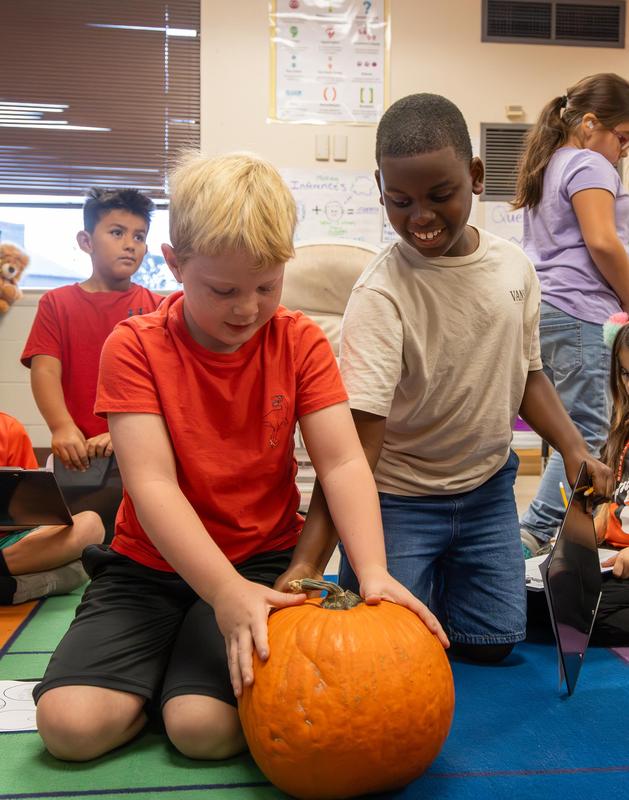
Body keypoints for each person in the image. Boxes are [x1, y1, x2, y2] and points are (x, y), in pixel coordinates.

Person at [34, 152, 447, 763]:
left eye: (266, 286)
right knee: (69, 729)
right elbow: (152, 486)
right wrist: (219, 594)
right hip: (146, 569)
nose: (248, 309)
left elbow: (342, 463)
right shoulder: (135, 345)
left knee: (204, 732)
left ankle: (174, 684)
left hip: (257, 564)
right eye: (222, 290)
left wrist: (375, 572)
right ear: (174, 264)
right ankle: (153, 678)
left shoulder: (299, 339)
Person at [276, 93, 613, 665]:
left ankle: (457, 583)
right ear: (381, 190)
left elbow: (527, 374)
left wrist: (577, 449)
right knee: (388, 653)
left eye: (440, 195)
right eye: (400, 201)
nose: (421, 218)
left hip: (486, 493)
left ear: (476, 178)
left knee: (494, 645)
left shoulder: (514, 269)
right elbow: (354, 450)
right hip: (399, 501)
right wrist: (308, 562)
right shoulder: (382, 293)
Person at [512, 73, 629, 558]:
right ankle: (533, 533)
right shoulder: (589, 165)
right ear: (588, 123)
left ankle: (547, 535)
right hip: (581, 312)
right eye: (622, 139)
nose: (622, 152)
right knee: (585, 433)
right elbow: (602, 242)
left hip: (545, 311)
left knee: (566, 429)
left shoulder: (549, 163)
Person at [21, 188, 162, 471]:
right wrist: (61, 427)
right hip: (79, 453)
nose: (130, 244)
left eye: (139, 236)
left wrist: (122, 433)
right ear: (86, 241)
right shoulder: (57, 303)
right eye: (117, 232)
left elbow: (166, 384)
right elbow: (45, 370)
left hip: (144, 446)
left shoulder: (158, 307)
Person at [0, 411, 104, 604]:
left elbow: (26, 512)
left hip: (10, 542)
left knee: (91, 524)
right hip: (14, 556)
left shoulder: (8, 428)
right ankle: (18, 588)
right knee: (77, 571)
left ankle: (12, 585)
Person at [583, 313, 629, 645]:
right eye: (626, 373)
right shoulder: (622, 434)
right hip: (611, 558)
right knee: (538, 598)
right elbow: (614, 504)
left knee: (586, 614)